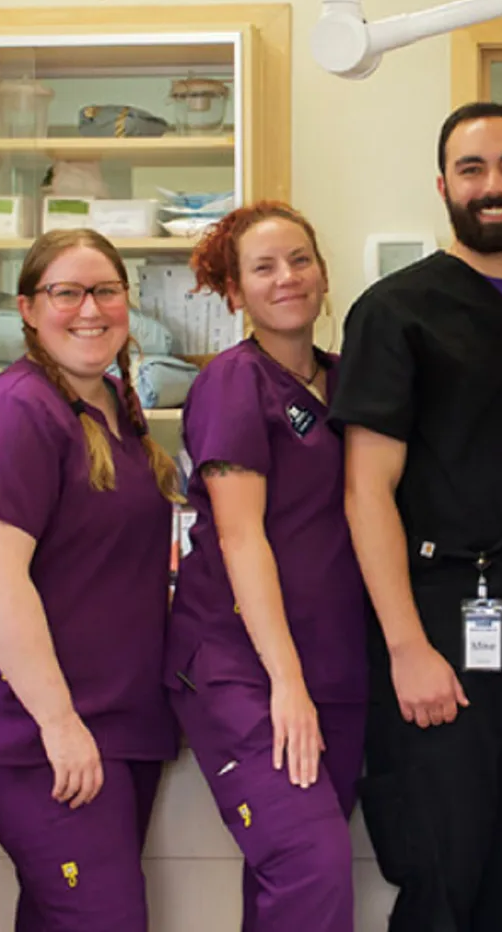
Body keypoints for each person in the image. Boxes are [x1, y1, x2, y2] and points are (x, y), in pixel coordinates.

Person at [332, 101, 502, 931]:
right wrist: (407, 646)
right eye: (473, 169)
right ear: (444, 185)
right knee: (443, 884)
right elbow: (366, 491)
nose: (494, 186)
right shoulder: (395, 312)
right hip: (440, 646)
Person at [0, 228, 181, 931]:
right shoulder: (12, 413)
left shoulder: (114, 401)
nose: (89, 309)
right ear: (26, 308)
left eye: (105, 291)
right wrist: (59, 723)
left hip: (116, 720)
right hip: (39, 733)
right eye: (65, 293)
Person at [163, 201, 367, 932]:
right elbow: (241, 536)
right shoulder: (232, 383)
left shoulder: (346, 383)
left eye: (300, 260)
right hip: (245, 671)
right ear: (235, 292)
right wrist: (285, 684)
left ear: (323, 273)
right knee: (311, 867)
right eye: (264, 267)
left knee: (290, 882)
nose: (287, 278)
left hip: (336, 667)